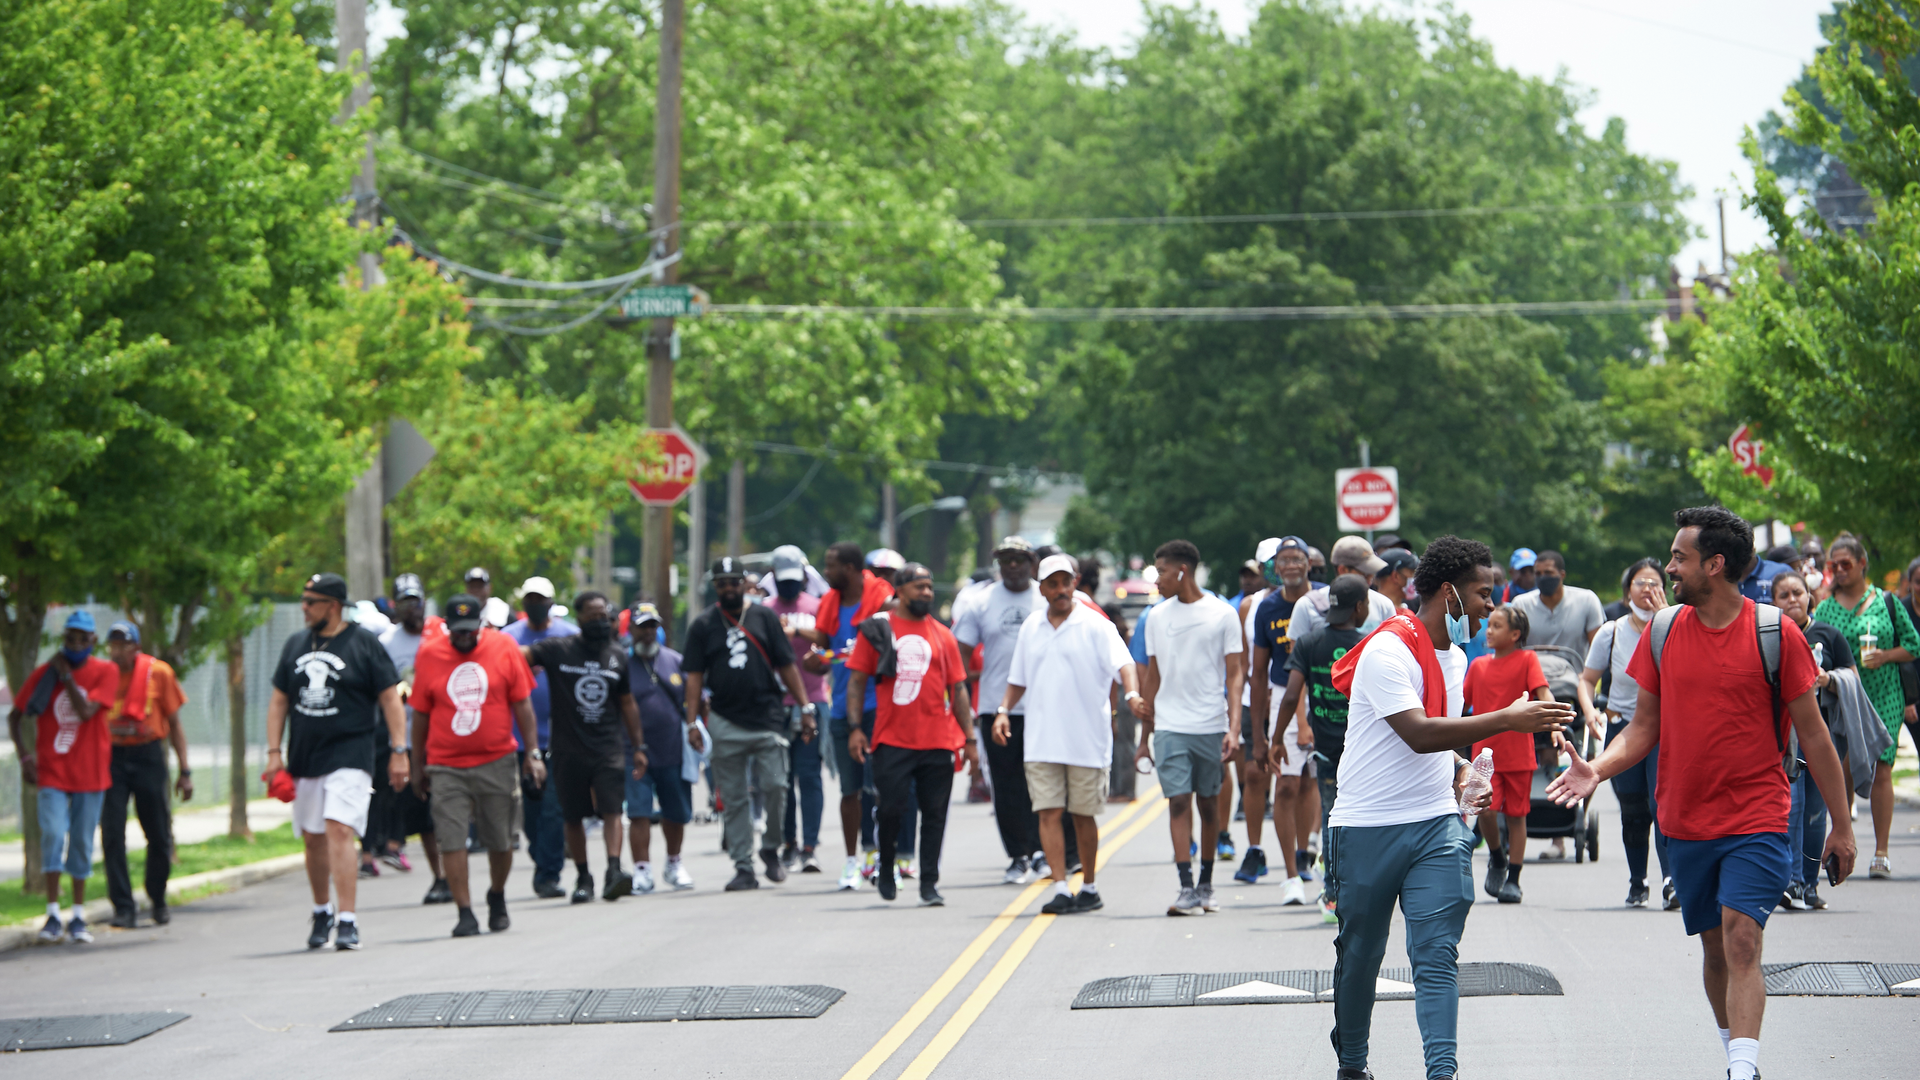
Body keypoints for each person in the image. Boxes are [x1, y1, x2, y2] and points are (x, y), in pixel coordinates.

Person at [1549, 507, 1856, 1080]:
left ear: (1714, 565)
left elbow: (1814, 732)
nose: (1667, 569)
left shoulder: (1774, 632)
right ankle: (1736, 1053)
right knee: (1715, 950)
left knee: (1743, 942)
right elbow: (1644, 727)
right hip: (1685, 820)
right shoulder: (1664, 633)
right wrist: (1599, 768)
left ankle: (1742, 1070)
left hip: (1758, 815)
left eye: (1678, 559)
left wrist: (1841, 825)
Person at [1325, 537, 1572, 1080]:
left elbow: (1441, 738)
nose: (1491, 605)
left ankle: (1443, 1071)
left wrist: (1461, 769)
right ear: (1447, 592)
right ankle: (1353, 1067)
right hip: (1367, 827)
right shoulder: (1387, 650)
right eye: (1483, 594)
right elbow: (1416, 732)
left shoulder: (1456, 657)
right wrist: (1506, 720)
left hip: (1435, 824)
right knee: (1361, 957)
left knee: (1436, 956)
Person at [266, 573, 408, 951]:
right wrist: (274, 753)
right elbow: (280, 699)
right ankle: (321, 910)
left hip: (351, 753)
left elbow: (391, 698)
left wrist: (399, 750)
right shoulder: (296, 644)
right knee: (313, 838)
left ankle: (348, 919)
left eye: (310, 601)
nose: (303, 607)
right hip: (306, 756)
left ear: (332, 604)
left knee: (339, 829)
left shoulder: (363, 643)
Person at [998, 553, 1145, 914]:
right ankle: (1062, 887)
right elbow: (1018, 678)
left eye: (1066, 582)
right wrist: (1003, 711)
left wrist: (1131, 693)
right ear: (1042, 587)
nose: (1061, 589)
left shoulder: (1096, 624)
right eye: (1053, 583)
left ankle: (1090, 887)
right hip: (1041, 739)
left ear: (1075, 582)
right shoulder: (1032, 626)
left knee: (1083, 815)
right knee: (1047, 813)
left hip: (1085, 740)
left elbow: (1124, 663)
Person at [408, 595, 543, 937]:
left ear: (481, 625)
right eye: (458, 631)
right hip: (445, 764)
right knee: (451, 839)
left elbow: (523, 705)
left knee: (501, 840)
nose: (464, 637)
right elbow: (421, 715)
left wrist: (533, 753)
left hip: (496, 760)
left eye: (470, 630)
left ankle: (496, 895)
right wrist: (416, 765)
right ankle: (464, 911)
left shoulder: (504, 648)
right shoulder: (430, 653)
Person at [847, 562, 977, 905]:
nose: (927, 593)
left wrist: (970, 738)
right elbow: (857, 681)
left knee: (935, 813)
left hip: (938, 739)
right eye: (919, 587)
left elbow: (959, 689)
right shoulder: (878, 630)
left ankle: (929, 882)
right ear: (900, 591)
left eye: (929, 587)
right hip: (892, 739)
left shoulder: (943, 635)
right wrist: (856, 728)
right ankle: (886, 866)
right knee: (891, 809)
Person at [683, 557, 815, 892]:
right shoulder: (702, 625)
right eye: (722, 582)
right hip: (725, 720)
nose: (728, 587)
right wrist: (692, 722)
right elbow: (694, 678)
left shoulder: (764, 617)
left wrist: (806, 707)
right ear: (715, 587)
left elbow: (787, 665)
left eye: (734, 581)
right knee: (735, 797)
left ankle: (770, 847)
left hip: (768, 716)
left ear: (745, 582)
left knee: (776, 786)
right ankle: (743, 865)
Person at [1135, 540, 1244, 916]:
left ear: (1183, 570)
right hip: (1169, 724)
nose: (1157, 579)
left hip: (1211, 724)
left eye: (1162, 571)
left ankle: (1207, 884)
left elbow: (1235, 674)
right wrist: (1143, 738)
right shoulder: (1155, 617)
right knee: (1178, 800)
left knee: (1209, 804)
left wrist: (1234, 728)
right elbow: (1152, 676)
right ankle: (1185, 887)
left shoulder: (1222, 614)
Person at [522, 591, 649, 902]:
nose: (599, 622)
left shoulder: (617, 654)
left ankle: (614, 870)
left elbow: (627, 702)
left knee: (611, 810)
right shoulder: (559, 649)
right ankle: (583, 876)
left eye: (603, 616)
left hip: (608, 747)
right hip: (567, 749)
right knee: (573, 815)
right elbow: (520, 657)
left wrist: (639, 745)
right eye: (592, 617)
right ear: (578, 619)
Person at [1810, 534, 1919, 879]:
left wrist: (1886, 656)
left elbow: (1914, 644)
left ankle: (1882, 852)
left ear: (1862, 564)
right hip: (1844, 699)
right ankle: (1846, 838)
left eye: (1846, 564)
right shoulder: (1825, 607)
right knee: (1843, 766)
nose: (1840, 570)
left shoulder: (1885, 601)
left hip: (1884, 694)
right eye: (1834, 565)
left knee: (1882, 767)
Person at [9, 611, 119, 944]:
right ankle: (54, 912)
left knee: (82, 843)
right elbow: (16, 716)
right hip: (53, 771)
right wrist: (25, 757)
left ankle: (79, 915)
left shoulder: (105, 671)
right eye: (69, 638)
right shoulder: (45, 675)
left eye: (81, 639)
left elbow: (86, 713)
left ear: (92, 642)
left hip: (90, 772)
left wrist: (67, 677)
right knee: (54, 835)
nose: (74, 645)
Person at [954, 536, 1050, 885]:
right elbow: (959, 654)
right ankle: (1017, 856)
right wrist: (962, 689)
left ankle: (1043, 850)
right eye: (1005, 559)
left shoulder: (1046, 597)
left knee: (1042, 782)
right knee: (1006, 786)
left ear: (1031, 563)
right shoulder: (980, 603)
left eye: (1019, 559)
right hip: (997, 709)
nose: (1012, 566)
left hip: (1044, 707)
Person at [1579, 559, 1674, 908]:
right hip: (1623, 727)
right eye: (1640, 582)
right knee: (1633, 808)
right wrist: (1590, 711)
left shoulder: (1676, 625)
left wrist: (1666, 620)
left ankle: (1671, 881)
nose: (1647, 589)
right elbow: (1587, 679)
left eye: (1654, 582)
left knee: (1661, 803)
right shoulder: (1613, 630)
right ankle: (1638, 882)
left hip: (1664, 728)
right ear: (1627, 589)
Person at [1275, 573, 1370, 923]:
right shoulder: (1369, 644)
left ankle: (1332, 894)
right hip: (1365, 751)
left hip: (1327, 751)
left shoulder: (1309, 642)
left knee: (1334, 819)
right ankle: (1367, 889)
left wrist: (1275, 739)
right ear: (1360, 606)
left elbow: (1290, 695)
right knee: (1369, 819)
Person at [811, 542, 894, 890]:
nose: (826, 572)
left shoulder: (881, 597)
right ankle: (851, 861)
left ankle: (879, 856)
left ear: (849, 568)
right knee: (849, 790)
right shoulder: (830, 602)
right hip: (843, 705)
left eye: (830, 566)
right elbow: (819, 649)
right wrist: (813, 661)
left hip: (879, 705)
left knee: (882, 788)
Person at [1770, 570, 1853, 911]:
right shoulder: (1770, 635)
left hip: (1823, 733)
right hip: (1785, 735)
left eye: (1798, 593)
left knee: (1816, 812)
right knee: (1792, 806)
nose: (1792, 600)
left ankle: (1809, 883)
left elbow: (1852, 676)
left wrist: (1828, 679)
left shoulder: (1829, 635)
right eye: (1784, 595)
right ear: (1773, 603)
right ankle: (1789, 881)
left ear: (1810, 596)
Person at [100, 621, 191, 929]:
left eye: (122, 645)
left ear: (135, 647)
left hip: (149, 754)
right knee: (112, 833)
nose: (116, 651)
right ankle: (123, 907)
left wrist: (185, 770)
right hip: (113, 758)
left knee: (158, 833)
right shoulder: (103, 674)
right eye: (112, 645)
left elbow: (175, 723)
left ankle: (158, 897)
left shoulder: (159, 673)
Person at [1465, 605, 1552, 904]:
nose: (1489, 630)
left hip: (1518, 755)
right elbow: (1460, 704)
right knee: (1485, 810)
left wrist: (1554, 722)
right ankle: (1497, 857)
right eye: (1489, 625)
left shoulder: (1527, 659)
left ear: (1515, 634)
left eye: (1497, 626)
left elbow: (1543, 693)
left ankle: (1514, 878)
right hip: (1484, 757)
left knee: (1517, 816)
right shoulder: (1477, 666)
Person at [1244, 536, 1315, 900]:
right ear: (1275, 567)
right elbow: (1257, 674)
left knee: (1316, 782)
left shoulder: (1323, 599)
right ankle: (1291, 876)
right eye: (1283, 560)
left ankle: (1312, 855)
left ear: (1308, 563)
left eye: (1296, 558)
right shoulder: (1267, 608)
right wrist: (1258, 735)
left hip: (1323, 697)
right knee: (1285, 785)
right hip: (1282, 700)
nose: (1290, 565)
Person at [501, 576, 578, 899]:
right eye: (529, 599)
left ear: (551, 602)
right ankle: (542, 855)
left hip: (560, 738)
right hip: (517, 738)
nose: (535, 604)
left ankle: (548, 874)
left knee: (553, 808)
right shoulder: (507, 639)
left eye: (541, 599)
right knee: (530, 812)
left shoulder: (570, 635)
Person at [377, 575, 450, 902]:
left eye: (416, 601)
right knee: (424, 816)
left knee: (450, 810)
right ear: (395, 606)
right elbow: (380, 688)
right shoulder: (386, 642)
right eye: (405, 602)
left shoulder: (441, 635)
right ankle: (441, 877)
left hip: (447, 738)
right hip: (408, 740)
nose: (412, 609)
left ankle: (454, 873)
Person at [764, 547, 830, 872]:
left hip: (812, 701)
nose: (790, 587)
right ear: (774, 578)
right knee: (781, 779)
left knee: (809, 776)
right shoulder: (764, 610)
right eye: (783, 581)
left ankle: (810, 846)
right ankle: (787, 843)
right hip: (775, 704)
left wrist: (797, 630)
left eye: (795, 580)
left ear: (805, 577)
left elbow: (828, 638)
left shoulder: (817, 606)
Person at [625, 603, 697, 892]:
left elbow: (695, 695)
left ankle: (674, 862)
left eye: (652, 626)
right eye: (642, 626)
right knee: (639, 811)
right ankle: (642, 870)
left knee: (675, 811)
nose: (647, 632)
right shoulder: (622, 663)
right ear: (630, 629)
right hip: (633, 751)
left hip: (671, 748)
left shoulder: (675, 661)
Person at [1289, 536, 1401, 642]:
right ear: (1343, 570)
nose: (1370, 578)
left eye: (1372, 573)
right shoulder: (1307, 606)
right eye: (1365, 573)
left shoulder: (1384, 605)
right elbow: (1297, 656)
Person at [1510, 550, 1604, 654]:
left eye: (1548, 573)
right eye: (1538, 573)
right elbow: (1512, 650)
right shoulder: (1521, 605)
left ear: (1562, 575)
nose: (1543, 577)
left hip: (1575, 669)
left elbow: (1598, 650)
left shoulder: (1587, 600)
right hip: (1534, 669)